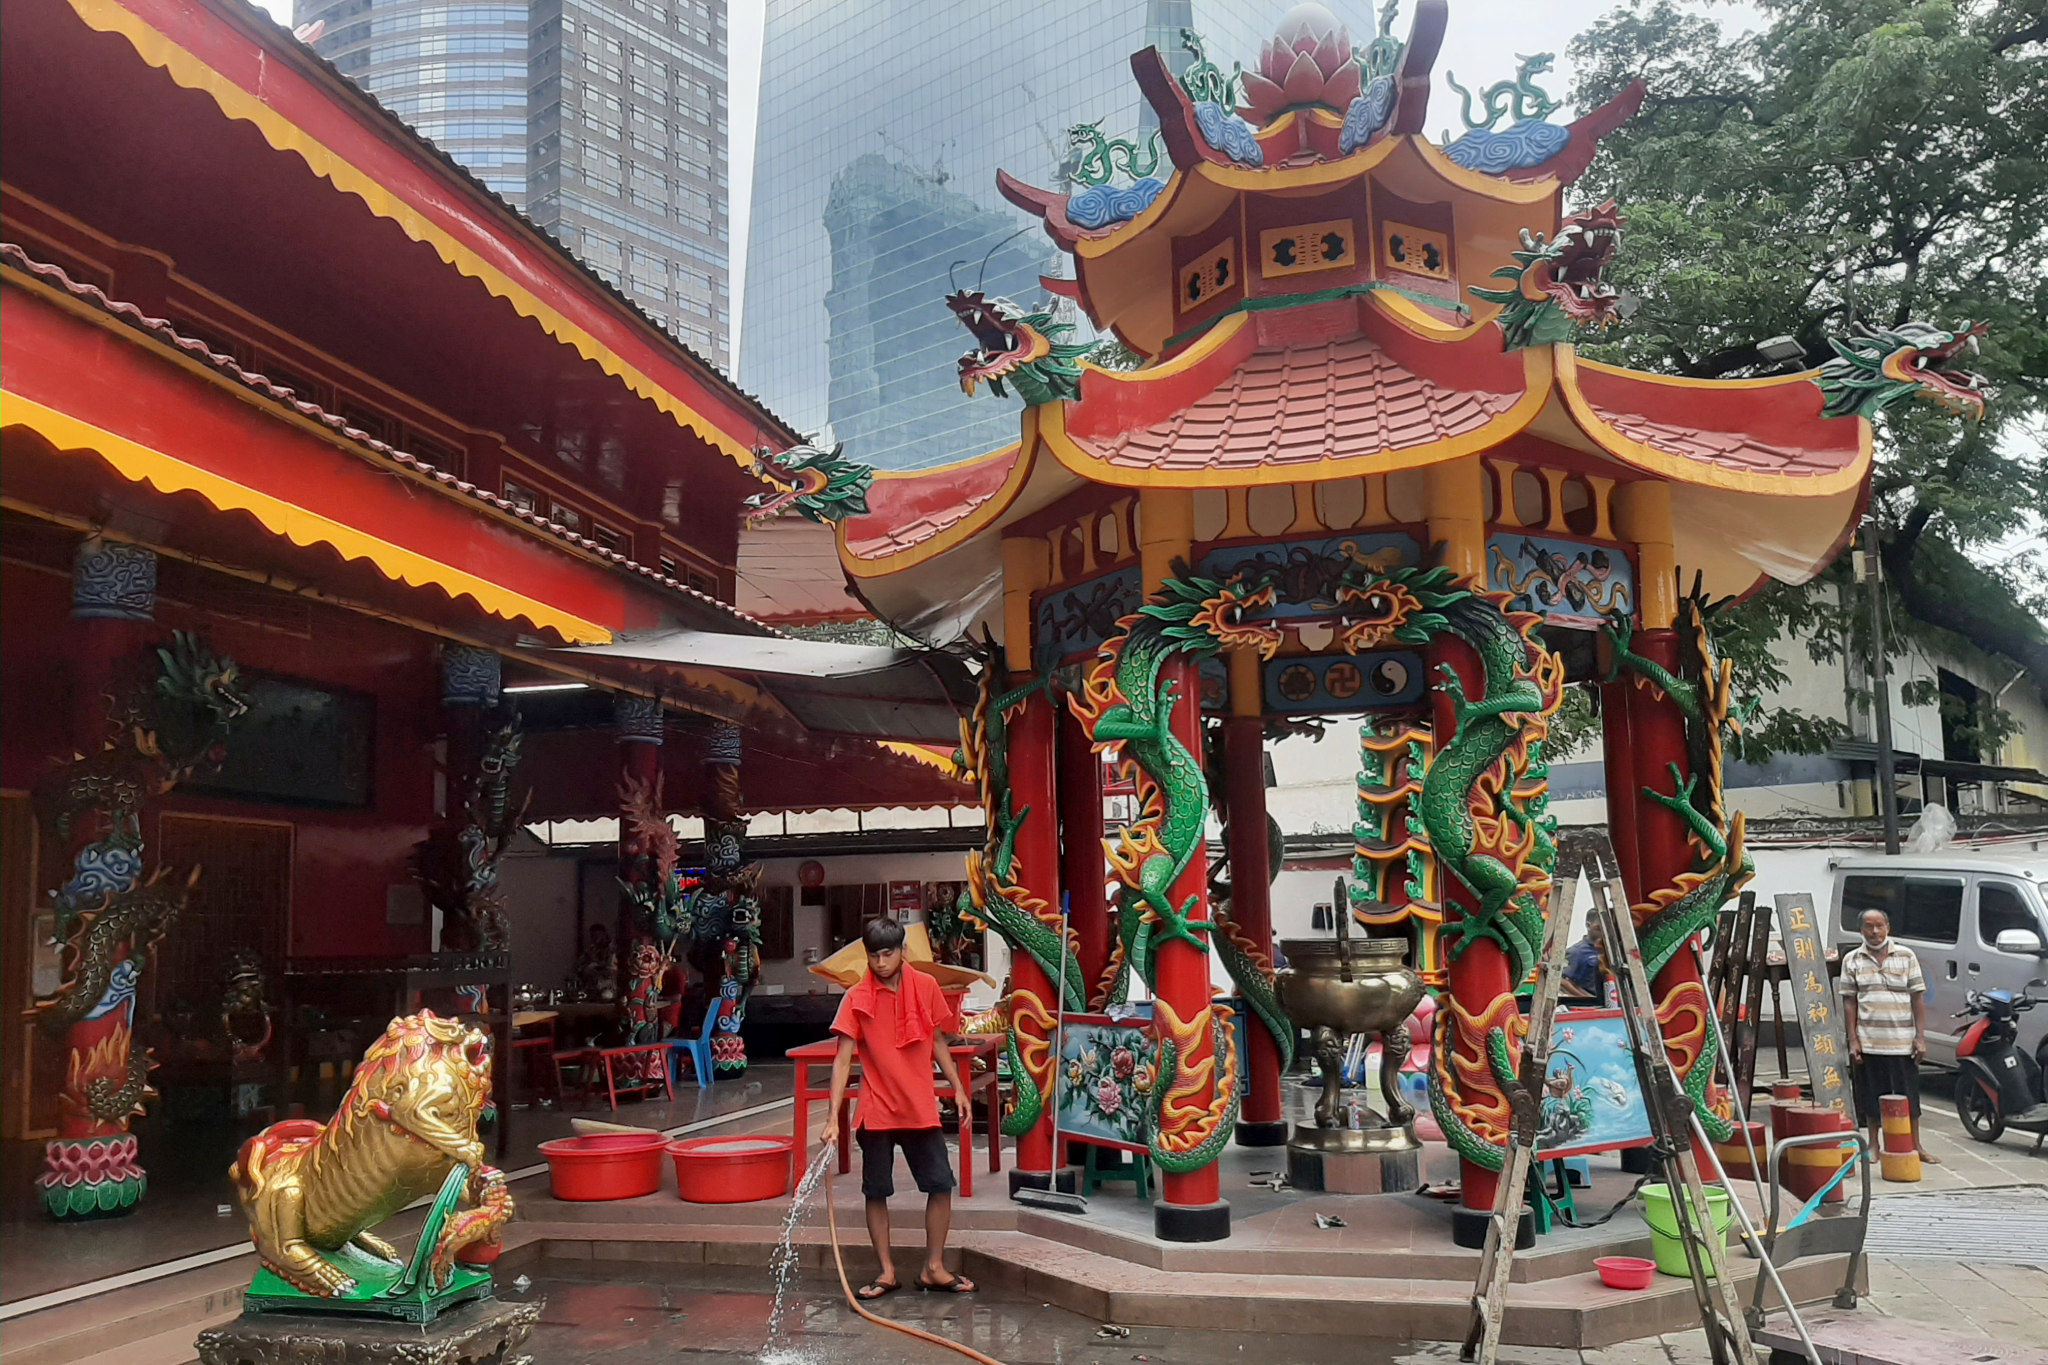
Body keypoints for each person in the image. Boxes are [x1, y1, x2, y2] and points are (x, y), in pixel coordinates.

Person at [819, 917, 977, 1299]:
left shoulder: (925, 986)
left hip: (920, 1105)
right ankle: (886, 1271)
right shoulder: (856, 996)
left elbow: (938, 1040)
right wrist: (831, 1121)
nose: (880, 962)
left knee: (940, 1185)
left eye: (888, 953)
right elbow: (842, 1060)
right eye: (873, 955)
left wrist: (958, 1088)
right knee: (876, 1190)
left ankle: (933, 1267)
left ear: (902, 952)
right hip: (876, 1108)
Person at [1841, 908, 1940, 1164]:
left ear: (1888, 927)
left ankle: (1915, 1145)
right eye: (1869, 927)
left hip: (1903, 1041)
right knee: (1872, 1096)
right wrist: (1853, 1039)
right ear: (1861, 930)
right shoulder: (1852, 960)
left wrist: (1920, 1037)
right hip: (1870, 1040)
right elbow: (1849, 1002)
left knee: (1910, 1099)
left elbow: (1918, 997)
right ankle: (1874, 1146)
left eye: (1879, 926)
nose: (1874, 932)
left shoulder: (1906, 956)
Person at [1563, 918, 1607, 1002]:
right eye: (1598, 927)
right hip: (1594, 1004)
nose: (1603, 931)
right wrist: (1588, 999)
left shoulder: (1614, 950)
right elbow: (1565, 982)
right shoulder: (1576, 952)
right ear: (1588, 925)